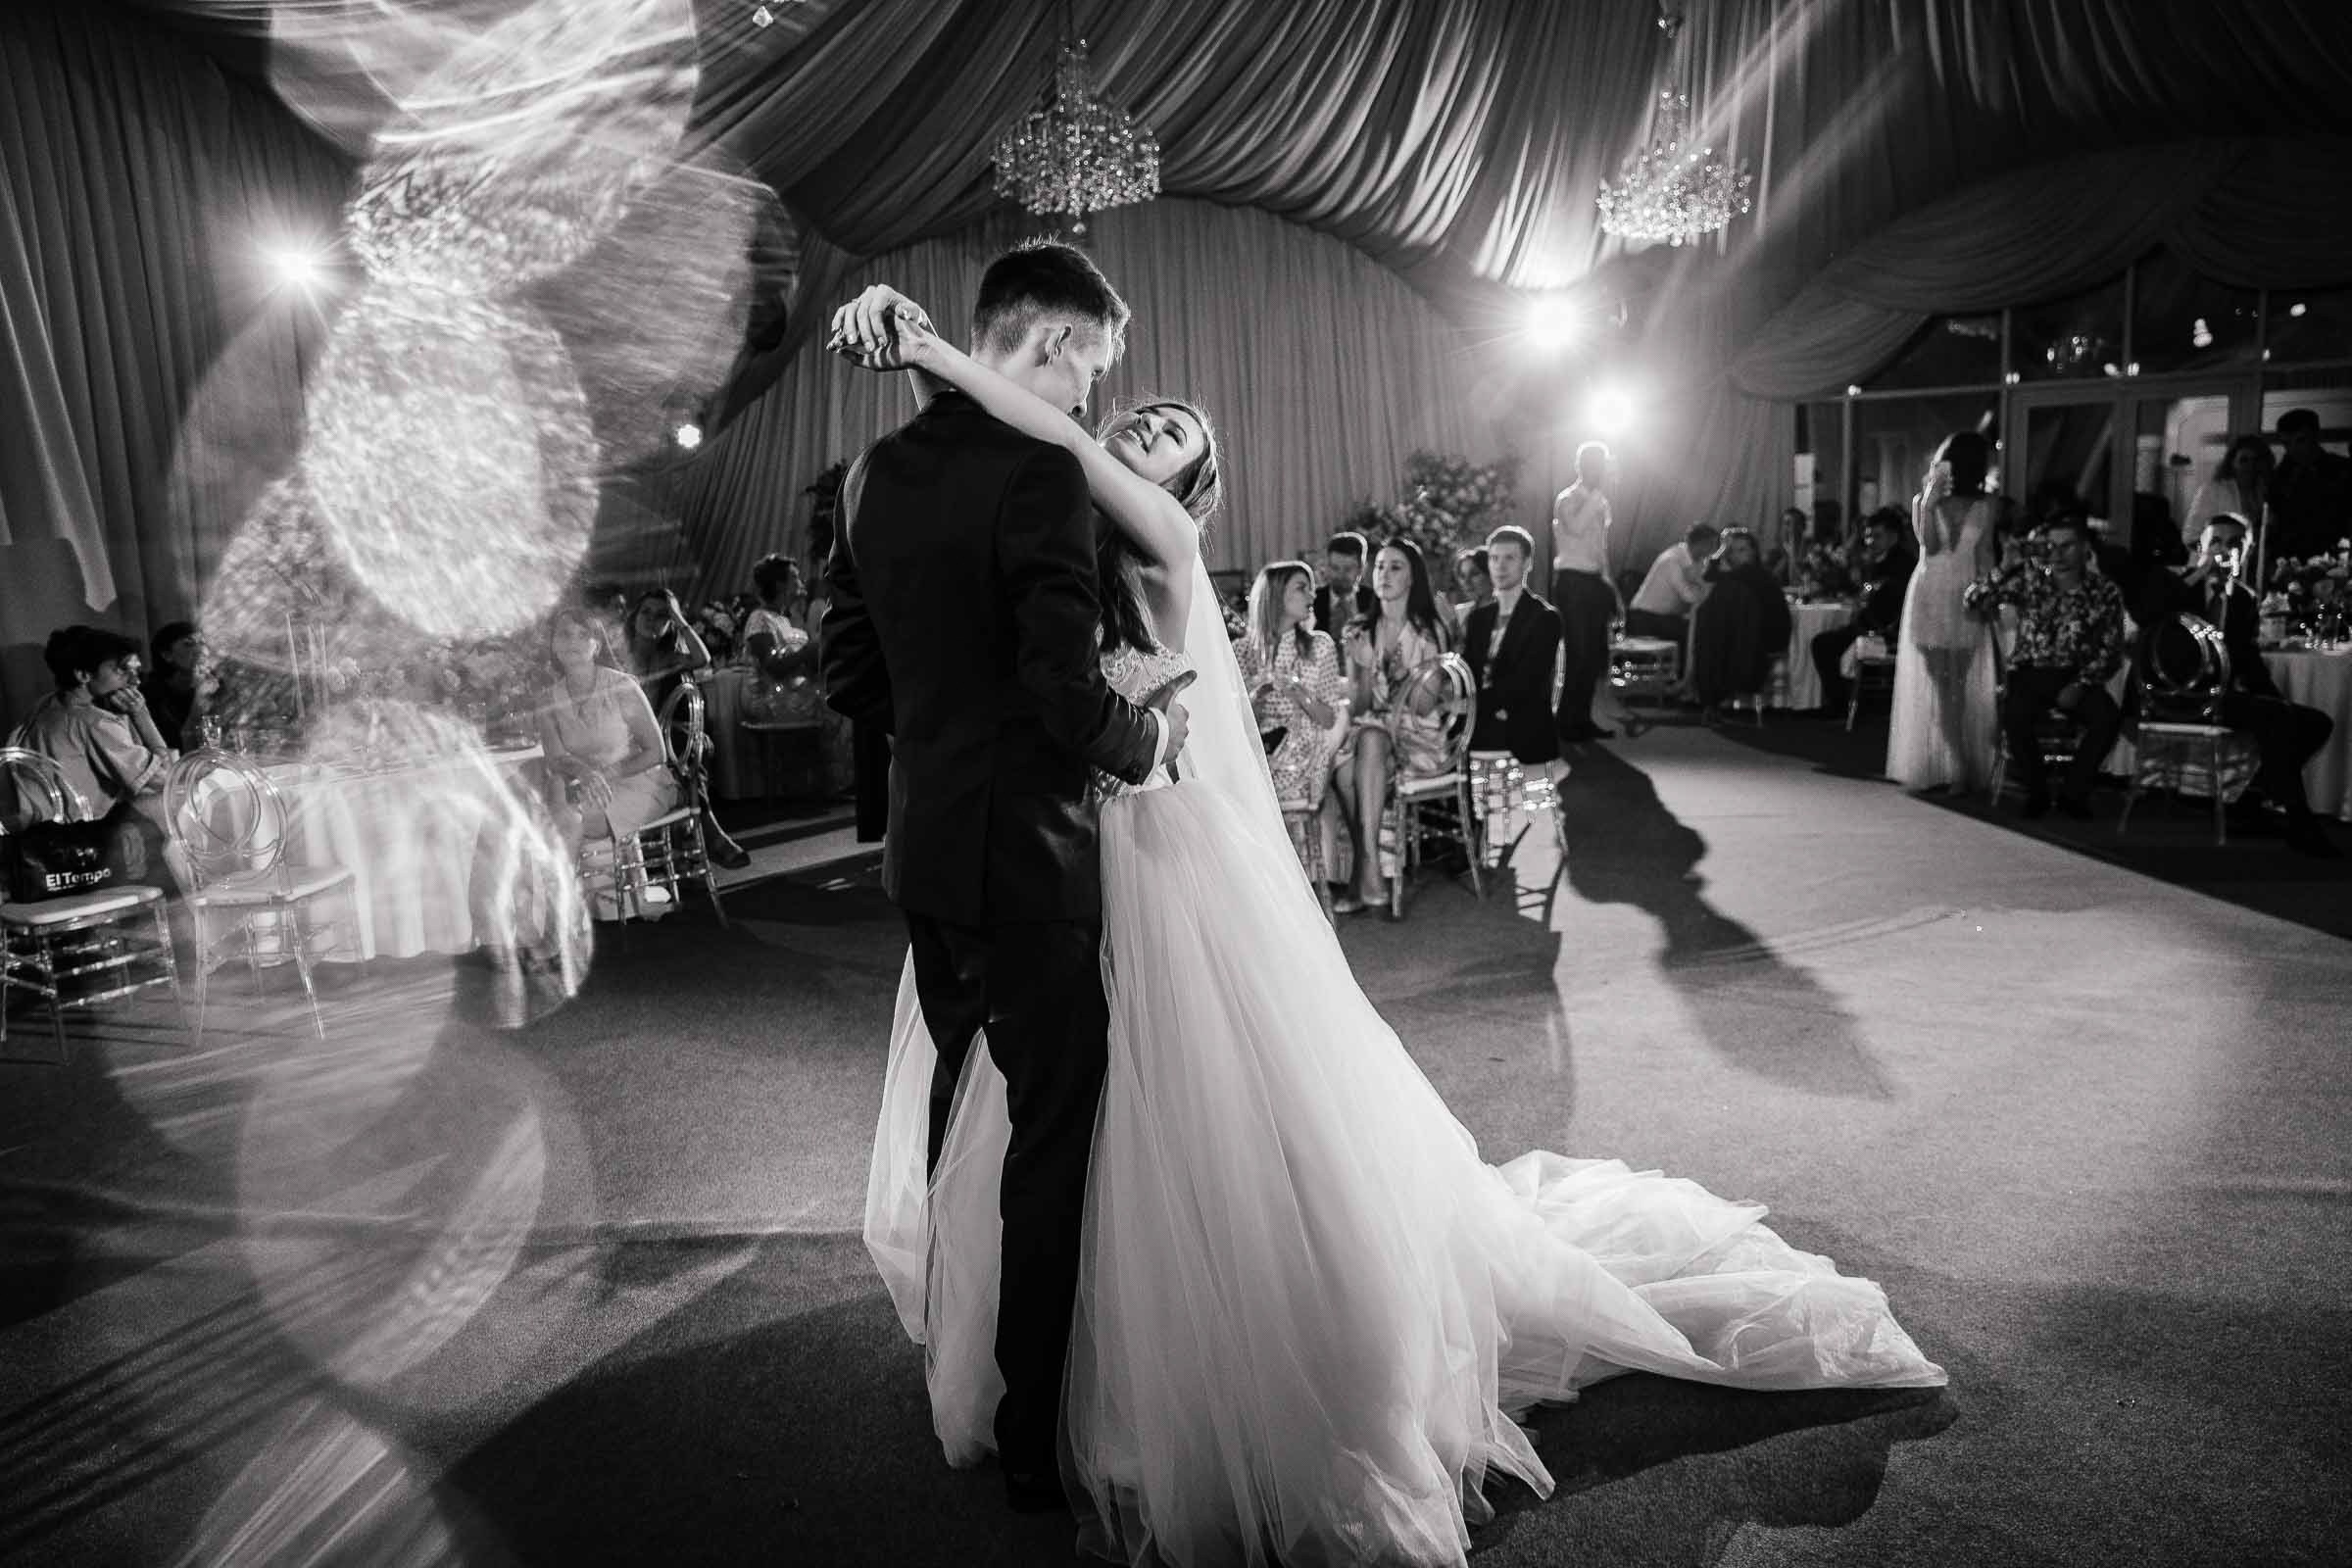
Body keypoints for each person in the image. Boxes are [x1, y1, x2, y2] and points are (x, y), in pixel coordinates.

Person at [835, 277, 1945, 1568]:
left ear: (1193, 488)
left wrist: (932, 353)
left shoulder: (1148, 525)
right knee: (1077, 1109)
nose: (1136, 432)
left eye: (1171, 441)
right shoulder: (1048, 491)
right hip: (1076, 831)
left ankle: (1156, 1366)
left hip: (1141, 821)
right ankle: (1077, 1355)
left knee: (1160, 1101)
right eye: (1144, 419)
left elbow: (1046, 448)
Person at [818, 244, 1184, 1518]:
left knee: (955, 1107)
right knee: (1048, 1136)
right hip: (1033, 859)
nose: (1092, 392)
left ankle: (947, 1344)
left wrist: (939, 722)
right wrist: (1151, 742)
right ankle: (1030, 1429)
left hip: (924, 856)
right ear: (1055, 343)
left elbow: (853, 678)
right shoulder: (1041, 475)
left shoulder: (869, 477)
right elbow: (1063, 687)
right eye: (1094, 361)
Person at [2141, 515, 2338, 858]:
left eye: (2234, 544)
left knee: (2314, 722)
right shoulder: (2175, 586)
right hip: (2176, 695)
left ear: (2246, 553)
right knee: (2274, 719)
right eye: (2216, 541)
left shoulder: (2244, 600)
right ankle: (2299, 823)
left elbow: (2249, 663)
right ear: (2201, 546)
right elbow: (2147, 612)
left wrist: (2281, 706)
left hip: (2223, 697)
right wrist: (2202, 571)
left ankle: (2251, 799)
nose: (2223, 550)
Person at [1968, 517, 2128, 820]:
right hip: (2031, 672)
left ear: (2084, 548)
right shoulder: (2030, 581)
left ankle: (2074, 793)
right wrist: (2005, 566)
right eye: (2050, 546)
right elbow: (1974, 601)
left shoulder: (2104, 591)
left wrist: (2080, 683)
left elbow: (2111, 650)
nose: (2057, 553)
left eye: (2066, 546)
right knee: (2015, 715)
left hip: (2077, 674)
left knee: (2107, 718)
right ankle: (2037, 792)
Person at [1332, 538, 1453, 914]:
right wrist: (1365, 668)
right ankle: (1369, 872)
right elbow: (1361, 706)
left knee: (1359, 756)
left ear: (1413, 577)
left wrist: (1395, 670)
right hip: (1375, 736)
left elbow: (1424, 704)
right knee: (1353, 760)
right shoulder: (1358, 630)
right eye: (1380, 566)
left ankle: (1363, 874)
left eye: (1395, 567)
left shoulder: (1429, 631)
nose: (1384, 574)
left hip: (1419, 737)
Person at [536, 608, 684, 915]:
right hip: (589, 787)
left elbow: (656, 752)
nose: (572, 641)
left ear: (597, 645)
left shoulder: (620, 686)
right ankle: (564, 912)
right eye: (563, 634)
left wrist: (602, 773)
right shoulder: (547, 699)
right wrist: (584, 772)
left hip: (641, 781)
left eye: (582, 634)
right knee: (560, 805)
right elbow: (556, 757)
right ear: (553, 644)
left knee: (560, 819)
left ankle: (557, 915)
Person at [11, 625, 178, 886]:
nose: (135, 681)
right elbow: (166, 779)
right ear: (83, 674)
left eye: (135, 671)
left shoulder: (44, 706)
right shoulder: (95, 723)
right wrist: (141, 715)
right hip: (86, 852)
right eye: (122, 670)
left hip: (32, 846)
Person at [1888, 431, 2002, 793]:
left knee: (1957, 688)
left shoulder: (1986, 505)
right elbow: (1929, 545)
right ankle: (1958, 766)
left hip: (1965, 593)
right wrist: (1930, 500)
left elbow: (1985, 554)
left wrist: (1990, 593)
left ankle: (1960, 765)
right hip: (1931, 591)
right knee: (1943, 686)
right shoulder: (1924, 500)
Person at [620, 589, 750, 870]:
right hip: (626, 741)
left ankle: (690, 842)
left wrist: (679, 617)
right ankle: (708, 834)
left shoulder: (670, 658)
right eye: (646, 613)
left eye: (662, 615)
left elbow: (702, 659)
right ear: (634, 618)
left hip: (662, 742)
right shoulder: (619, 655)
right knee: (686, 753)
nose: (652, 620)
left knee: (683, 750)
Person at [1238, 561, 1348, 885]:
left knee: (1259, 787)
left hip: (1302, 753)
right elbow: (1238, 724)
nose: (1312, 594)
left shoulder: (1320, 645)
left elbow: (1329, 718)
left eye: (1311, 586)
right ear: (1274, 596)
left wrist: (1299, 692)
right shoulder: (1242, 651)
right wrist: (1256, 695)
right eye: (1302, 587)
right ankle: (1267, 885)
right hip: (1258, 747)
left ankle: (1287, 884)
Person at [1462, 524, 1562, 778]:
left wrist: (1469, 705)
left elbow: (1524, 683)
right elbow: (1468, 673)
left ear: (1527, 563)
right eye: (1494, 558)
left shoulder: (1544, 618)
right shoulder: (1479, 618)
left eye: (1510, 558)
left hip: (1522, 724)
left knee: (1449, 743)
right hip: (1481, 719)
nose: (1500, 566)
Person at [1812, 510, 1918, 716]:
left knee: (1823, 644)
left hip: (1884, 632)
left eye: (1876, 536)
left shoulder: (1900, 565)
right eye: (1868, 536)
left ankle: (1840, 705)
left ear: (1893, 536)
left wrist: (1860, 621)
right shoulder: (1878, 561)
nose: (1869, 541)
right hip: (1870, 624)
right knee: (1828, 640)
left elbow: (1888, 607)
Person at [1548, 439, 1617, 744]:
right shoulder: (1568, 498)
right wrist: (1596, 495)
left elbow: (1600, 547)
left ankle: (1583, 718)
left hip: (1593, 581)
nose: (1598, 470)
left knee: (1593, 655)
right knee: (1577, 652)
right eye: (1592, 464)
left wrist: (1610, 584)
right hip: (1571, 581)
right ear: (1580, 466)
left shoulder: (1601, 502)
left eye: (1601, 464)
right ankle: (1564, 721)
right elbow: (1574, 528)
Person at [1687, 527, 1793, 713]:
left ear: (1753, 551)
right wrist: (1722, 551)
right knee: (1712, 624)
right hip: (1746, 637)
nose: (1737, 555)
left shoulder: (1756, 574)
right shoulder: (1738, 577)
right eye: (1733, 551)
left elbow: (1709, 575)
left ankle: (1709, 695)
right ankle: (1711, 694)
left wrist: (1721, 552)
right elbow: (1711, 575)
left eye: (1743, 550)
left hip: (1765, 640)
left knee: (1711, 626)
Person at [2267, 408, 2352, 564]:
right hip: (2289, 564)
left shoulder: (2343, 470)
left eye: (2300, 440)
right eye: (2286, 443)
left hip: (2335, 560)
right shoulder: (2278, 478)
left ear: (2316, 436)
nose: (2293, 449)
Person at [1625, 522, 1718, 646]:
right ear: (1701, 544)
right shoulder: (1672, 560)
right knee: (1699, 635)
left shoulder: (1699, 562)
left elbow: (1698, 588)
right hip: (1645, 619)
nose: (1715, 550)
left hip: (1665, 618)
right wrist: (1708, 588)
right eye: (1713, 545)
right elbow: (1689, 596)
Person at [2183, 435, 2275, 551]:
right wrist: (2217, 555)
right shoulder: (2214, 490)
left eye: (2256, 460)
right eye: (2244, 460)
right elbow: (2190, 537)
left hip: (2249, 565)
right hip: (2212, 565)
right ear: (2232, 462)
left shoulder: (2265, 493)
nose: (2250, 466)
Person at [142, 621, 203, 752]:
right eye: (188, 644)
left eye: (202, 643)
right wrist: (200, 694)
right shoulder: (150, 693)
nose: (200, 650)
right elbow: (180, 744)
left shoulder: (215, 683)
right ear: (167, 655)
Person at [1312, 530, 1375, 634]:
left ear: (1362, 569)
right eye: (1335, 568)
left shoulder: (1374, 602)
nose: (1340, 575)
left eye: (1348, 569)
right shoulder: (1312, 601)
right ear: (1327, 566)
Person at [1447, 544, 1493, 641]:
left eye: (1474, 574)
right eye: (1462, 576)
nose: (1466, 582)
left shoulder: (1506, 613)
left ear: (1491, 574)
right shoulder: (1459, 613)